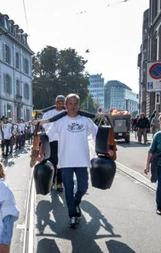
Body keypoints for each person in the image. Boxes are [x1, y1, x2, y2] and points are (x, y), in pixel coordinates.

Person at [39, 94, 111, 228]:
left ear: (79, 106)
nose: (72, 106)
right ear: (66, 106)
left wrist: (107, 149)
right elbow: (47, 137)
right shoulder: (59, 121)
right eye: (70, 104)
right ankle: (72, 214)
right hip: (66, 161)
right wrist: (41, 153)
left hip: (82, 160)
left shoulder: (85, 120)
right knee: (68, 188)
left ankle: (76, 201)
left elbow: (97, 135)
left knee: (83, 187)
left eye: (75, 104)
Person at [42, 95, 66, 192]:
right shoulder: (48, 113)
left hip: (63, 141)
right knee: (52, 162)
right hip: (51, 141)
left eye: (62, 102)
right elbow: (44, 125)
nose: (60, 104)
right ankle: (52, 181)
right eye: (58, 102)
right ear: (55, 102)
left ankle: (59, 183)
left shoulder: (66, 113)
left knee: (61, 163)